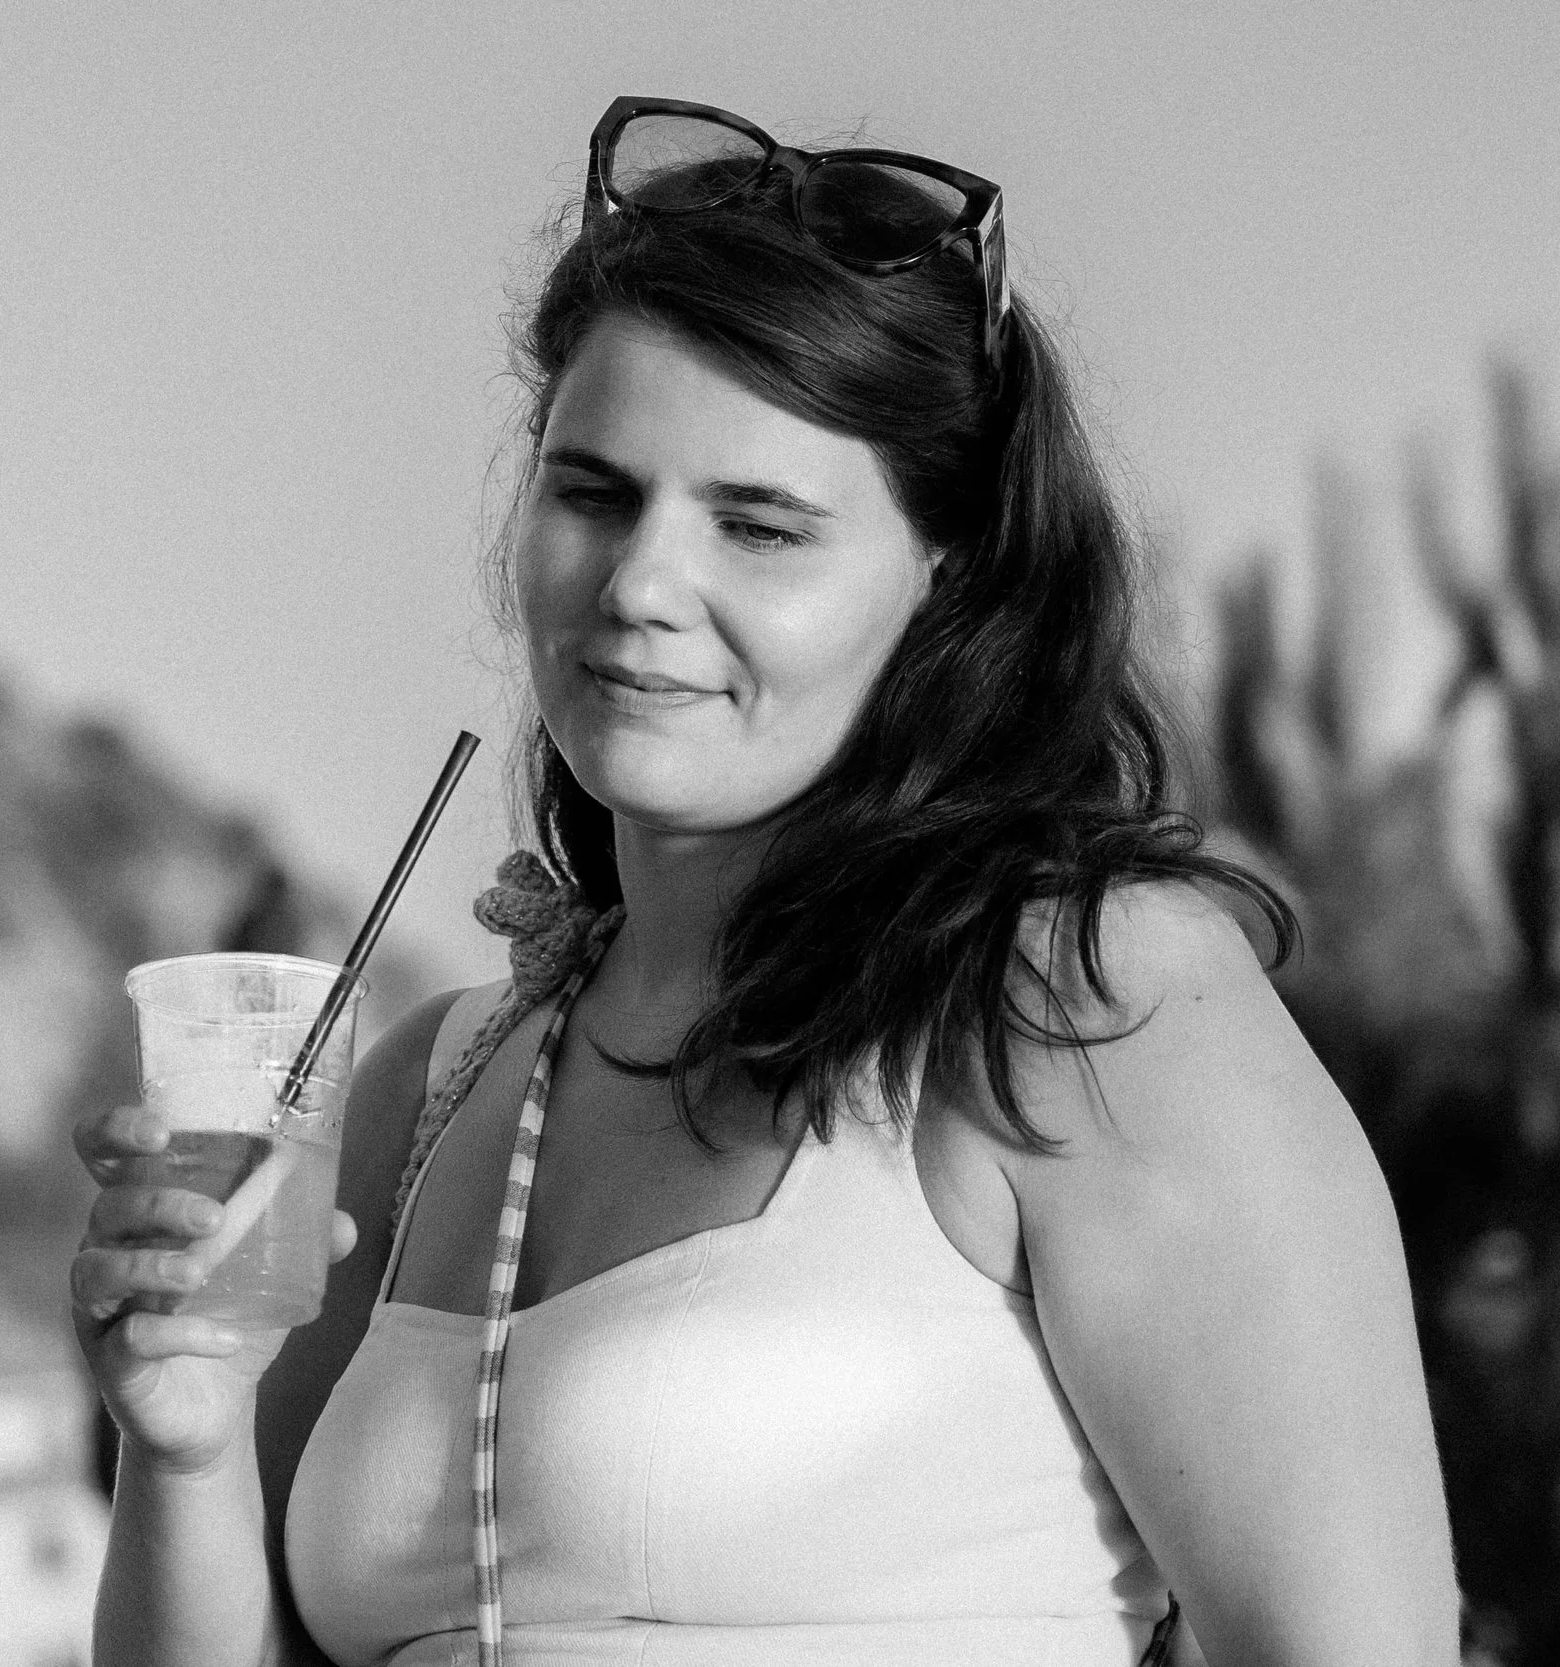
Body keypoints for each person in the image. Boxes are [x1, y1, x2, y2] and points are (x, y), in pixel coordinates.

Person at [72, 95, 1460, 1667]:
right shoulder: (424, 1092)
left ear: (946, 574)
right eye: (594, 493)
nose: (642, 584)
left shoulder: (1082, 1002)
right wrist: (181, 1444)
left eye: (760, 525)